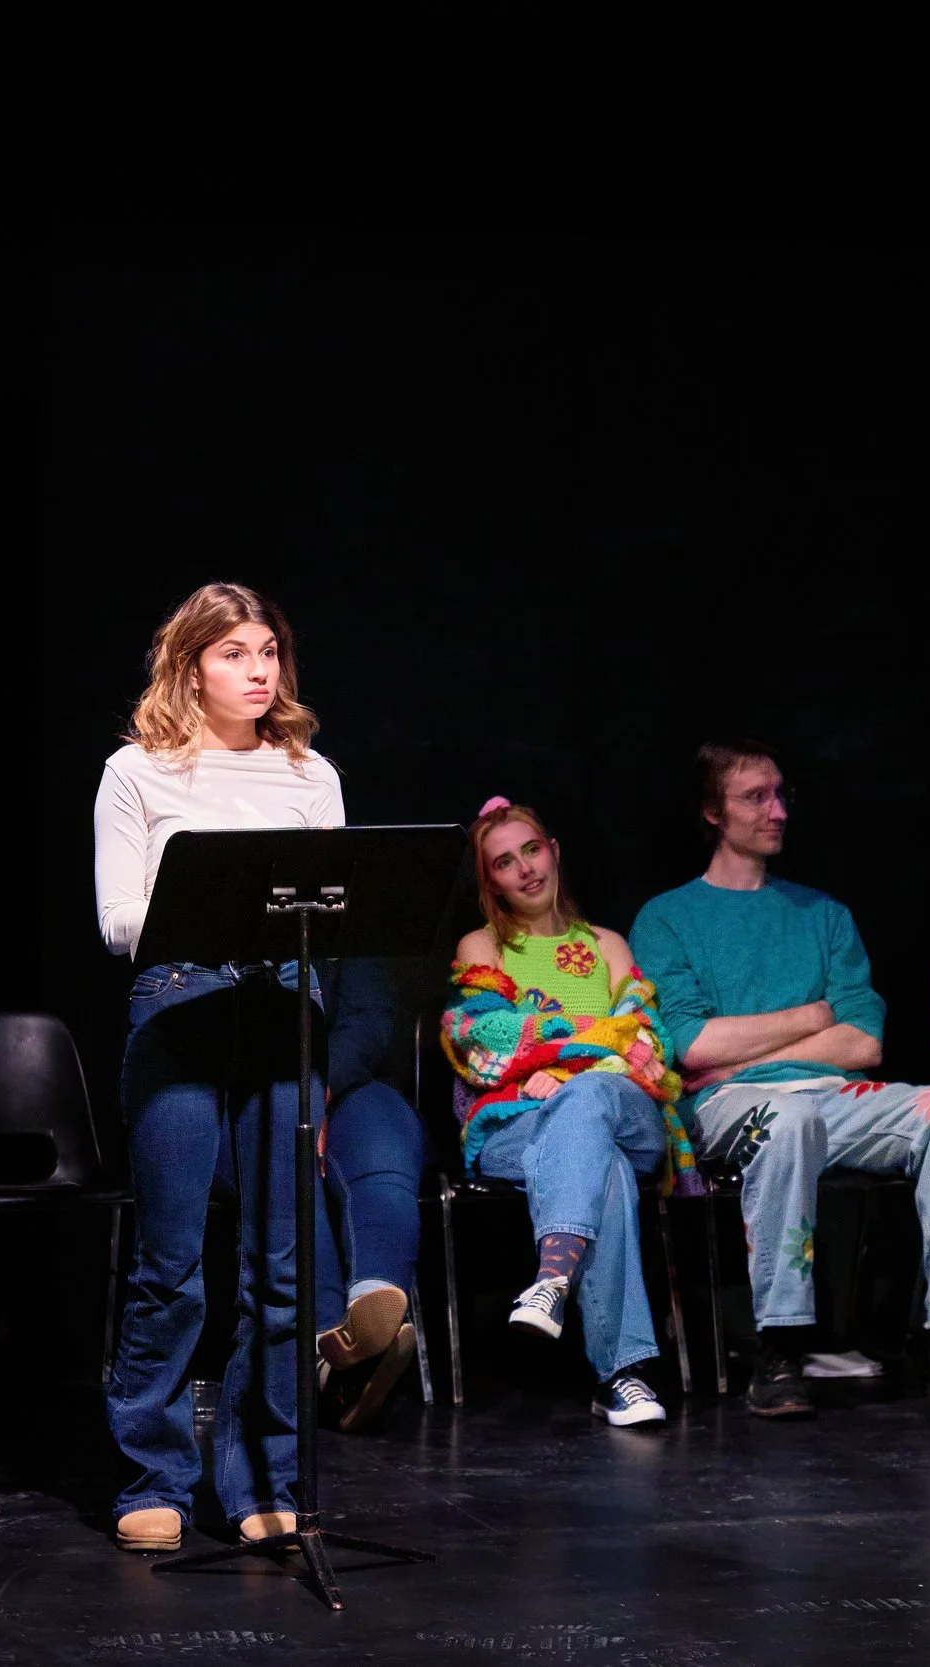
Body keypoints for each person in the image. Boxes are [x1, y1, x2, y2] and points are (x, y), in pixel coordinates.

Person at [92, 582, 406, 1556]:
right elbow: (117, 922)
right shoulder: (136, 770)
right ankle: (152, 1477)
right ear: (190, 665)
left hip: (282, 1002)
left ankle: (262, 1474)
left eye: (268, 650)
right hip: (181, 998)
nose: (258, 669)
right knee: (172, 1265)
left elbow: (339, 913)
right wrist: (217, 903)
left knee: (281, 1265)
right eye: (233, 652)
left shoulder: (310, 774)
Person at [631, 742, 930, 1419]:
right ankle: (780, 1345)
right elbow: (691, 1044)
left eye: (781, 794)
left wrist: (751, 1047)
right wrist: (812, 1016)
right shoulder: (668, 918)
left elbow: (864, 1041)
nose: (777, 810)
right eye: (755, 797)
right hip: (727, 1103)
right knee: (789, 1121)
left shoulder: (824, 915)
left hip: (833, 1095)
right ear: (713, 811)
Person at [441, 798, 695, 1428]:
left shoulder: (608, 944)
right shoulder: (483, 945)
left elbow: (648, 1046)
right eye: (504, 862)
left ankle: (552, 1277)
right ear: (490, 881)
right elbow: (482, 1042)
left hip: (625, 1112)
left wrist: (562, 1065)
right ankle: (623, 1376)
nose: (525, 869)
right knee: (602, 1166)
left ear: (553, 850)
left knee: (588, 1099)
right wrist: (592, 1041)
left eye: (531, 850)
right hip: (515, 1125)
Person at [312, 953, 432, 1431]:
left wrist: (317, 1087)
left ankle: (373, 1306)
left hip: (337, 1080)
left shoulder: (341, 923)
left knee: (383, 1124)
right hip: (231, 1098)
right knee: (284, 1154)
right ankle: (332, 1355)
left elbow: (369, 1017)